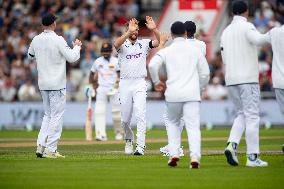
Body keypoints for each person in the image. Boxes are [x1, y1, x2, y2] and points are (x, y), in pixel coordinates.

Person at [149, 21, 209, 168]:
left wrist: (156, 82)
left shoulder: (168, 50)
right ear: (185, 33)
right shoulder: (196, 49)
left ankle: (174, 153)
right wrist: (200, 88)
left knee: (173, 124)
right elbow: (205, 73)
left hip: (173, 94)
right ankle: (194, 157)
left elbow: (152, 65)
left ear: (172, 33)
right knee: (193, 127)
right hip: (192, 94)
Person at [221, 0, 268, 167]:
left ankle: (232, 144)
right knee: (252, 116)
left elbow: (224, 58)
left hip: (231, 79)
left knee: (242, 113)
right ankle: (252, 157)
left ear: (233, 12)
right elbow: (259, 40)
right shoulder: (247, 27)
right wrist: (274, 34)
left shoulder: (225, 31)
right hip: (247, 79)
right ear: (246, 12)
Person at [28, 13, 82, 158]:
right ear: (53, 24)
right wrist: (77, 47)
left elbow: (30, 55)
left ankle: (41, 145)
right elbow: (72, 58)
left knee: (48, 115)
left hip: (43, 83)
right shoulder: (58, 39)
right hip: (57, 84)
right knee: (56, 116)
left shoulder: (36, 39)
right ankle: (51, 149)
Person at [113, 16, 160, 155]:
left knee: (141, 115)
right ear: (127, 30)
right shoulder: (122, 44)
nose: (135, 32)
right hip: (125, 83)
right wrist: (128, 32)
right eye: (132, 29)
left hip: (140, 82)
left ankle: (140, 147)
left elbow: (158, 42)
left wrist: (154, 29)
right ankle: (128, 139)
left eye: (137, 30)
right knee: (125, 119)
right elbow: (116, 44)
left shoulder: (144, 43)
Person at [86, 42, 124, 141]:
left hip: (114, 88)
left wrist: (116, 85)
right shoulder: (98, 61)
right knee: (99, 111)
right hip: (102, 88)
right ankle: (100, 134)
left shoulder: (116, 61)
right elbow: (91, 74)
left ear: (111, 51)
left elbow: (120, 75)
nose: (105, 54)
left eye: (107, 52)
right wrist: (90, 86)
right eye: (103, 52)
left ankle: (119, 133)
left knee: (116, 112)